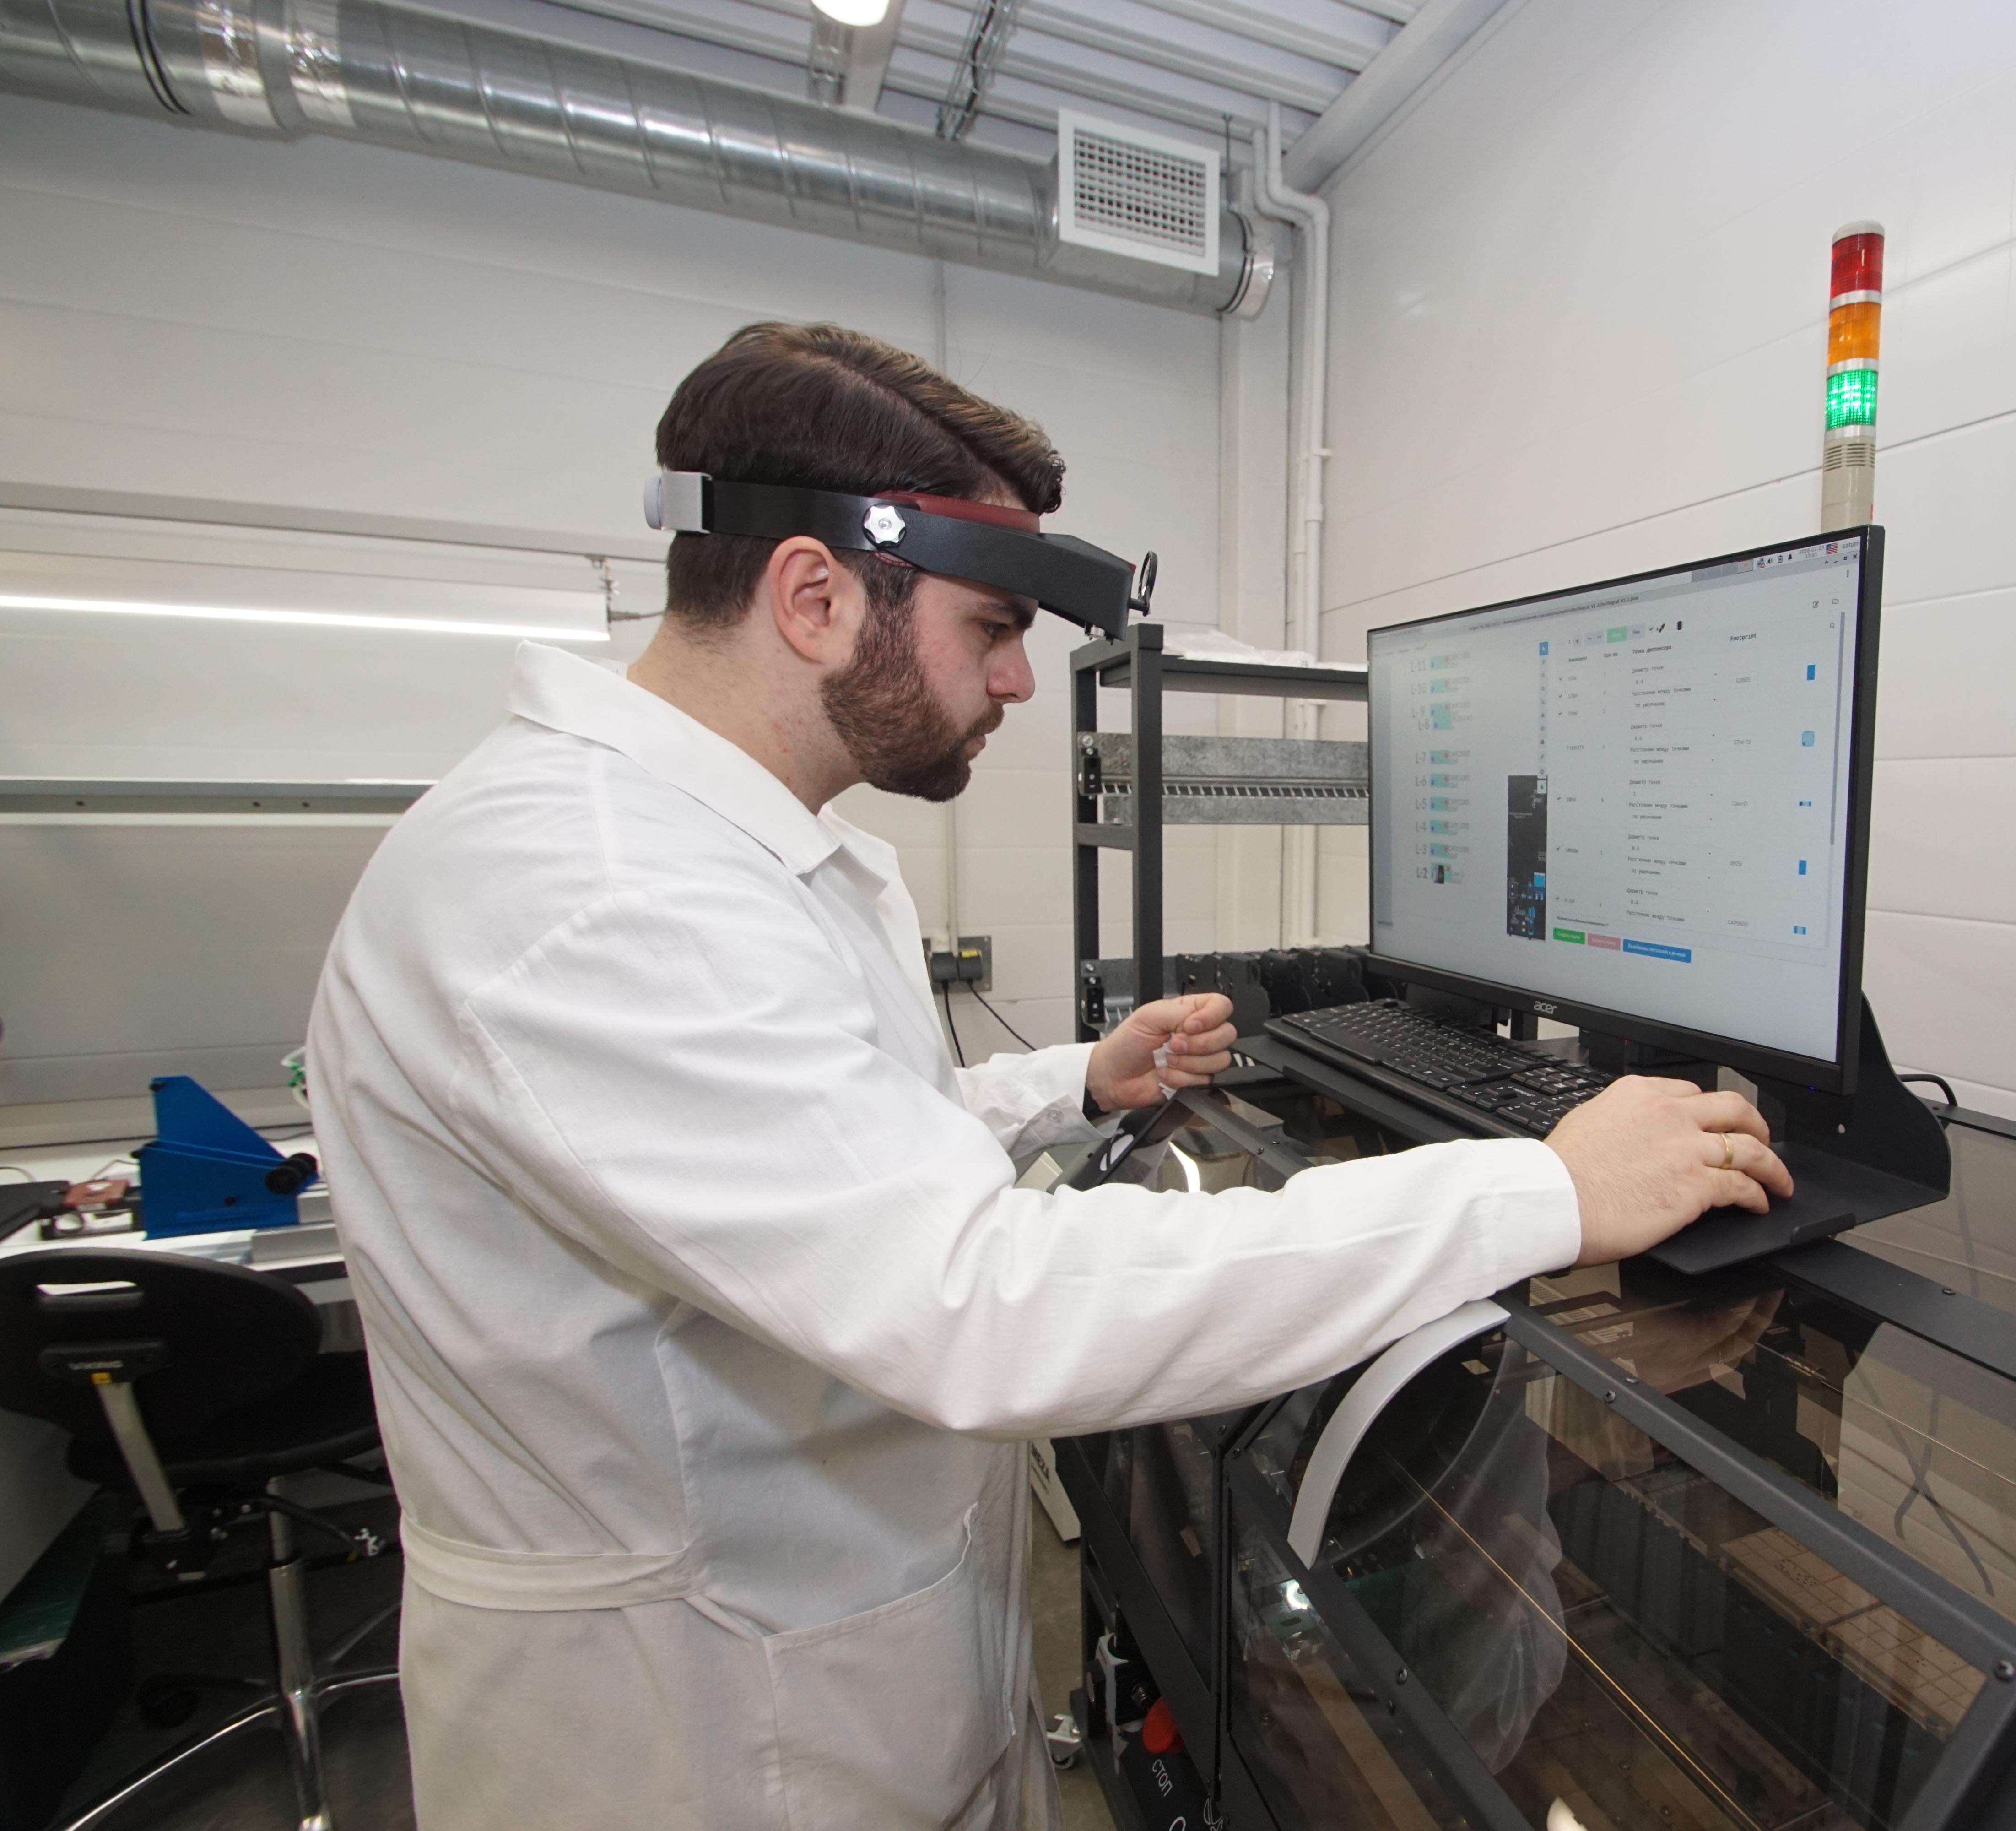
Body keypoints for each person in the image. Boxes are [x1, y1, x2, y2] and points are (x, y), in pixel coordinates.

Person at [306, 321, 1791, 1830]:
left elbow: (813, 1157)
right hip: (703, 1741)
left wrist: (1073, 1082)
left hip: (856, 1671)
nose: (1021, 679)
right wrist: (1542, 1187)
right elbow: (973, 1301)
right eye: (993, 627)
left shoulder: (727, 856)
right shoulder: (591, 891)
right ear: (814, 597)